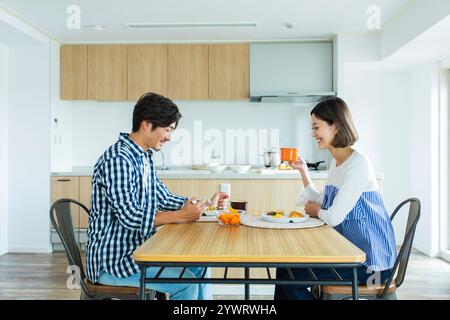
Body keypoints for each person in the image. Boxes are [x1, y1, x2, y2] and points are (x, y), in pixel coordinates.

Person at [85, 92, 228, 300]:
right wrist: (181, 216)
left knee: (200, 267)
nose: (170, 137)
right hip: (115, 263)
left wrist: (205, 205)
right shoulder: (118, 160)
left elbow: (164, 198)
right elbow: (131, 216)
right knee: (185, 285)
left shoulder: (143, 157)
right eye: (168, 129)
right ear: (147, 124)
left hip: (139, 254)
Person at [274, 97, 396, 300]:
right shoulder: (338, 163)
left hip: (372, 265)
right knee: (283, 268)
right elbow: (326, 201)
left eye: (316, 127)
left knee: (290, 278)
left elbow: (333, 216)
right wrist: (304, 172)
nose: (313, 134)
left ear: (336, 127)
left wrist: (315, 211)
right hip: (349, 255)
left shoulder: (359, 164)